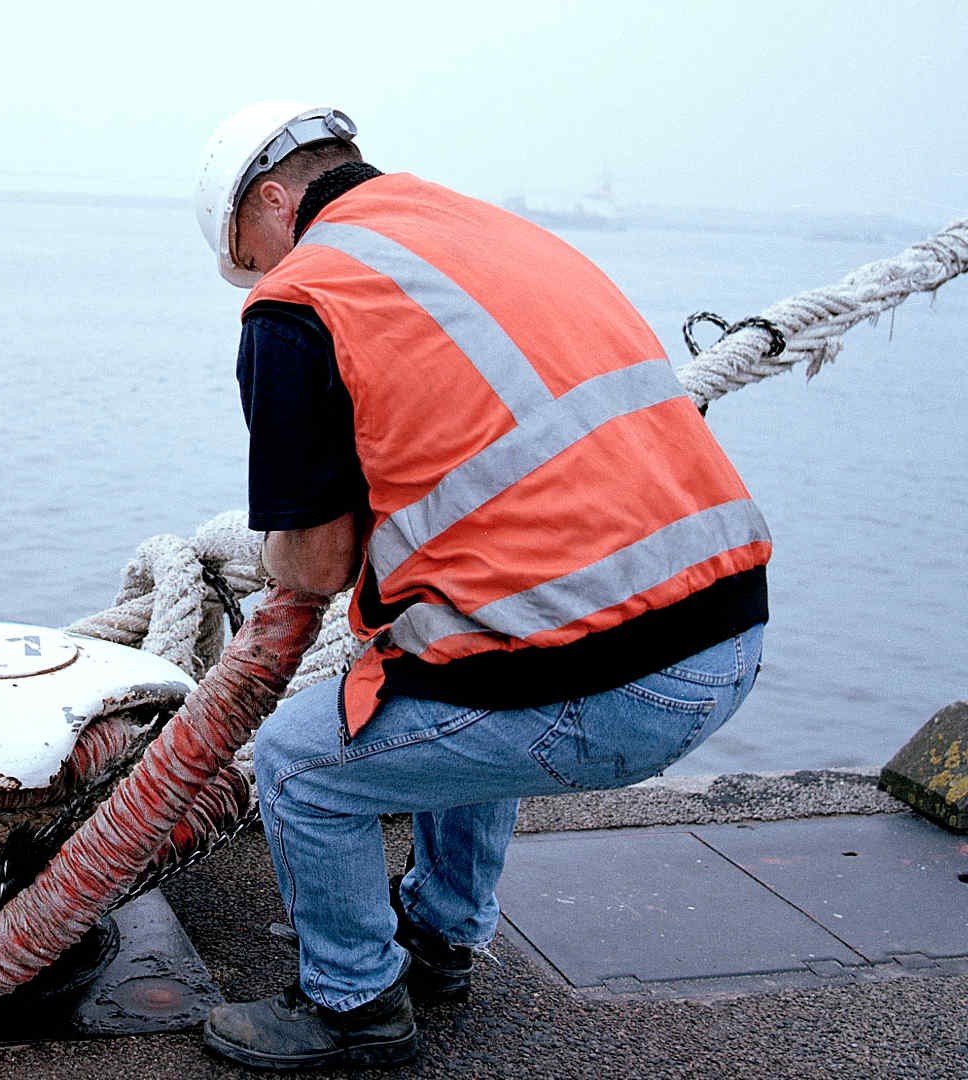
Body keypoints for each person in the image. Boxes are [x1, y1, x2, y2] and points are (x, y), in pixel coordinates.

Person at [190, 102, 769, 1070]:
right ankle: (443, 936)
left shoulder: (299, 302)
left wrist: (282, 554)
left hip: (620, 685)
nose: (254, 278)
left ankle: (354, 1006)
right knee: (457, 651)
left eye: (247, 252)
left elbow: (320, 563)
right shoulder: (485, 232)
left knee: (299, 765)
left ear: (272, 202)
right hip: (733, 633)